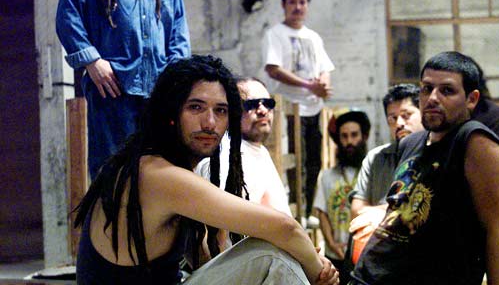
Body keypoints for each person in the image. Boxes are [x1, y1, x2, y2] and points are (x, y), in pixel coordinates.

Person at [74, 55, 339, 285]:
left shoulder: (167, 168)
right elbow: (285, 228)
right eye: (196, 107)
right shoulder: (158, 174)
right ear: (171, 113)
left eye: (220, 111)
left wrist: (301, 257)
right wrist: (319, 272)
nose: (210, 123)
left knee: (279, 251)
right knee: (271, 254)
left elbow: (205, 259)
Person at [56, 0, 190, 178]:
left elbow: (178, 24)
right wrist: (92, 61)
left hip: (160, 89)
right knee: (114, 175)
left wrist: (178, 76)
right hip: (112, 88)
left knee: (164, 173)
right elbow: (67, 16)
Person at [350, 51, 499, 285]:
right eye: (426, 89)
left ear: (471, 99)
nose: (432, 98)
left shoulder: (475, 143)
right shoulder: (410, 143)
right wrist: (382, 212)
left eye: (447, 90)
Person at [262, 0, 335, 217]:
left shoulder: (313, 37)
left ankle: (308, 212)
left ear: (307, 5)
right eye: (292, 2)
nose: (297, 7)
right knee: (295, 163)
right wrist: (309, 85)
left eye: (302, 2)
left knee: (314, 162)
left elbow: (325, 68)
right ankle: (295, 212)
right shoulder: (275, 34)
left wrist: (323, 86)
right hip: (288, 109)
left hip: (313, 108)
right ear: (283, 5)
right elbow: (273, 69)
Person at [196, 77, 291, 216]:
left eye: (268, 103)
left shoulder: (258, 150)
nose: (263, 110)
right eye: (251, 105)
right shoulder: (223, 158)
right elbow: (222, 222)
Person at [313, 109, 371, 284]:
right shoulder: (327, 176)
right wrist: (331, 244)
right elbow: (322, 213)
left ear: (364, 137)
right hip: (335, 257)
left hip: (367, 254)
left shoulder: (374, 173)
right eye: (344, 136)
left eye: (354, 135)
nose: (349, 141)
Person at [350, 84, 423, 219]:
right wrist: (397, 209)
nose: (399, 123)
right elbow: (356, 211)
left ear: (423, 114)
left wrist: (380, 211)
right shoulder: (376, 158)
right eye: (392, 118)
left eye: (406, 115)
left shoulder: (438, 154)